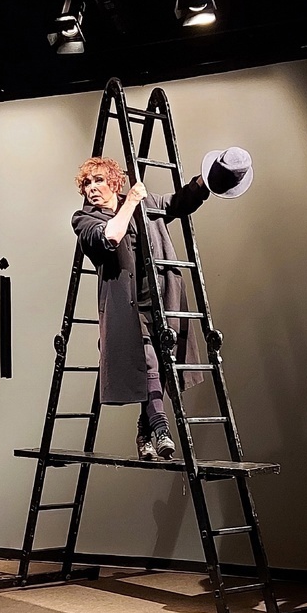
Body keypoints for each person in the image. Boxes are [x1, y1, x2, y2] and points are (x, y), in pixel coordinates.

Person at [71, 147, 253, 460]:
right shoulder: (85, 219)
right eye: (87, 183)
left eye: (98, 180)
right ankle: (161, 428)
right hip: (126, 311)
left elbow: (178, 203)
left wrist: (206, 179)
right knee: (149, 363)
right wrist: (131, 202)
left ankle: (144, 431)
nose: (92, 188)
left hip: (163, 301)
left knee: (162, 365)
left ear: (114, 181)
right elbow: (111, 237)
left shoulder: (147, 203)